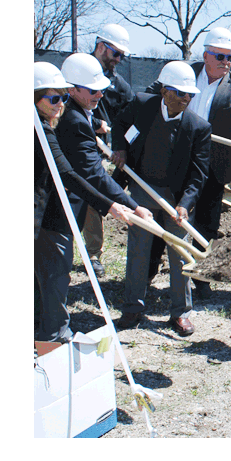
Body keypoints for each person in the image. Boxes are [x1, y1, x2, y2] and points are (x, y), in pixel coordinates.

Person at [145, 27, 231, 301]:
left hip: (214, 165)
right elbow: (151, 95)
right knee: (166, 216)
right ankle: (147, 276)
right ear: (206, 55)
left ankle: (202, 279)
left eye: (230, 57)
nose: (226, 62)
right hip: (176, 160)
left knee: (207, 224)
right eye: (220, 56)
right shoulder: (183, 72)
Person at [34, 62, 141, 343]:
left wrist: (96, 125)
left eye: (64, 97)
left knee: (44, 278)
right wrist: (116, 205)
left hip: (48, 212)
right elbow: (74, 174)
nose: (61, 104)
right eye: (55, 98)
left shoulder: (56, 119)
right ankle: (54, 337)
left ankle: (40, 328)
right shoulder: (45, 130)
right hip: (51, 214)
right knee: (55, 276)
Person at [112, 62, 211, 336]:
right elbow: (119, 123)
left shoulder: (198, 127)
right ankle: (133, 307)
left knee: (180, 255)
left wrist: (185, 204)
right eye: (181, 93)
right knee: (139, 251)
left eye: (190, 95)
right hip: (143, 191)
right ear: (165, 91)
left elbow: (198, 173)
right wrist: (119, 147)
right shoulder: (142, 105)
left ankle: (180, 313)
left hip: (175, 198)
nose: (186, 99)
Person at [83, 23, 135, 278]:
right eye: (115, 54)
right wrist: (95, 124)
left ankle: (93, 254)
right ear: (101, 46)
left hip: (99, 153)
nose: (118, 60)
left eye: (121, 56)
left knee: (94, 199)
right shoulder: (78, 69)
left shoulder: (119, 86)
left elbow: (130, 119)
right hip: (71, 145)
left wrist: (122, 148)